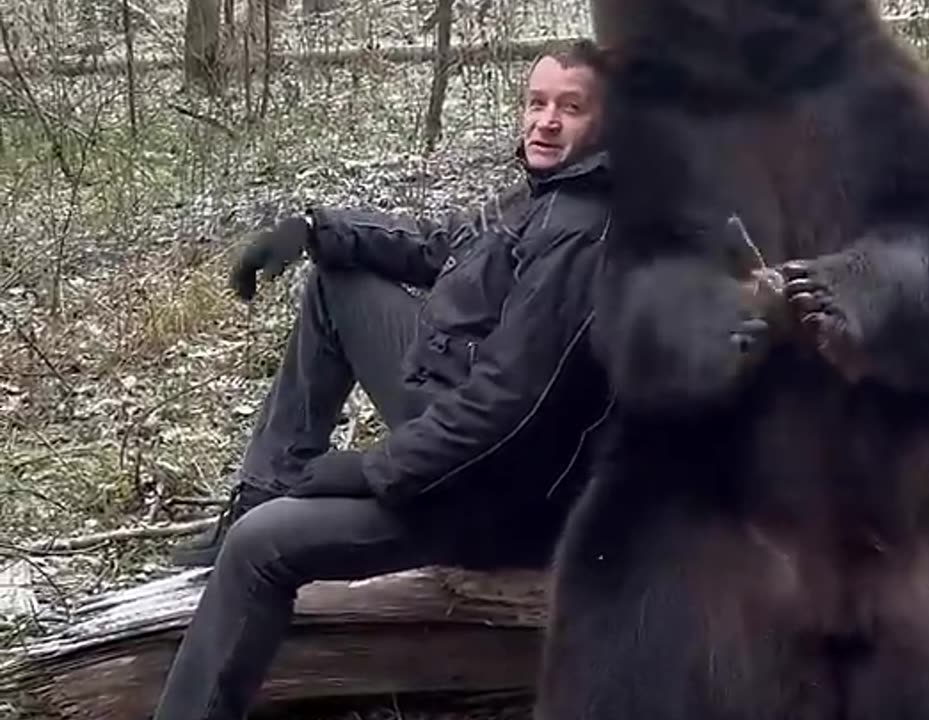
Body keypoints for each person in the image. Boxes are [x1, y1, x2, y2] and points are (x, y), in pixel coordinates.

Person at [152, 40, 613, 720]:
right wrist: (315, 229)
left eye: (570, 108)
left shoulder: (584, 232)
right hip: (457, 417)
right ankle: (260, 491)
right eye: (536, 102)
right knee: (336, 285)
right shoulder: (543, 195)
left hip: (499, 495)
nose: (545, 121)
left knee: (263, 547)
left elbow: (508, 412)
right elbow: (441, 243)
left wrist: (373, 470)